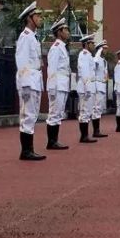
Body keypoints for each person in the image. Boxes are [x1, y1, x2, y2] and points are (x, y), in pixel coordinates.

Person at [14, 1, 46, 162]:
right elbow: (22, 61)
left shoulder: (33, 37)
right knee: (27, 115)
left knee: (32, 115)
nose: (41, 18)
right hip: (28, 81)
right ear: (29, 18)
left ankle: (29, 149)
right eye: (38, 16)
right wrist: (25, 83)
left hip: (35, 80)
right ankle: (26, 151)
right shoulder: (25, 37)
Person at [45, 17, 71, 150]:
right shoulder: (56, 48)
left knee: (59, 112)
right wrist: (52, 87)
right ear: (59, 32)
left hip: (63, 84)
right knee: (54, 113)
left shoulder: (62, 47)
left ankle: (54, 140)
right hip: (57, 84)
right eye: (65, 29)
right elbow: (52, 69)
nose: (68, 32)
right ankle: (51, 141)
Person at [76, 34, 97, 144]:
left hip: (88, 87)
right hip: (85, 87)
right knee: (84, 111)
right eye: (92, 43)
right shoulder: (84, 54)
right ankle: (84, 136)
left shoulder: (88, 55)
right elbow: (85, 73)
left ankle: (85, 135)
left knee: (87, 111)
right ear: (86, 44)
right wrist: (88, 88)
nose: (93, 45)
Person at [92, 39, 109, 138]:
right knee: (96, 108)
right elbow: (95, 62)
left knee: (99, 109)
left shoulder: (104, 61)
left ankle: (97, 130)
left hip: (102, 85)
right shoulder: (97, 59)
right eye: (104, 48)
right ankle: (96, 131)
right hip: (97, 85)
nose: (106, 50)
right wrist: (98, 53)